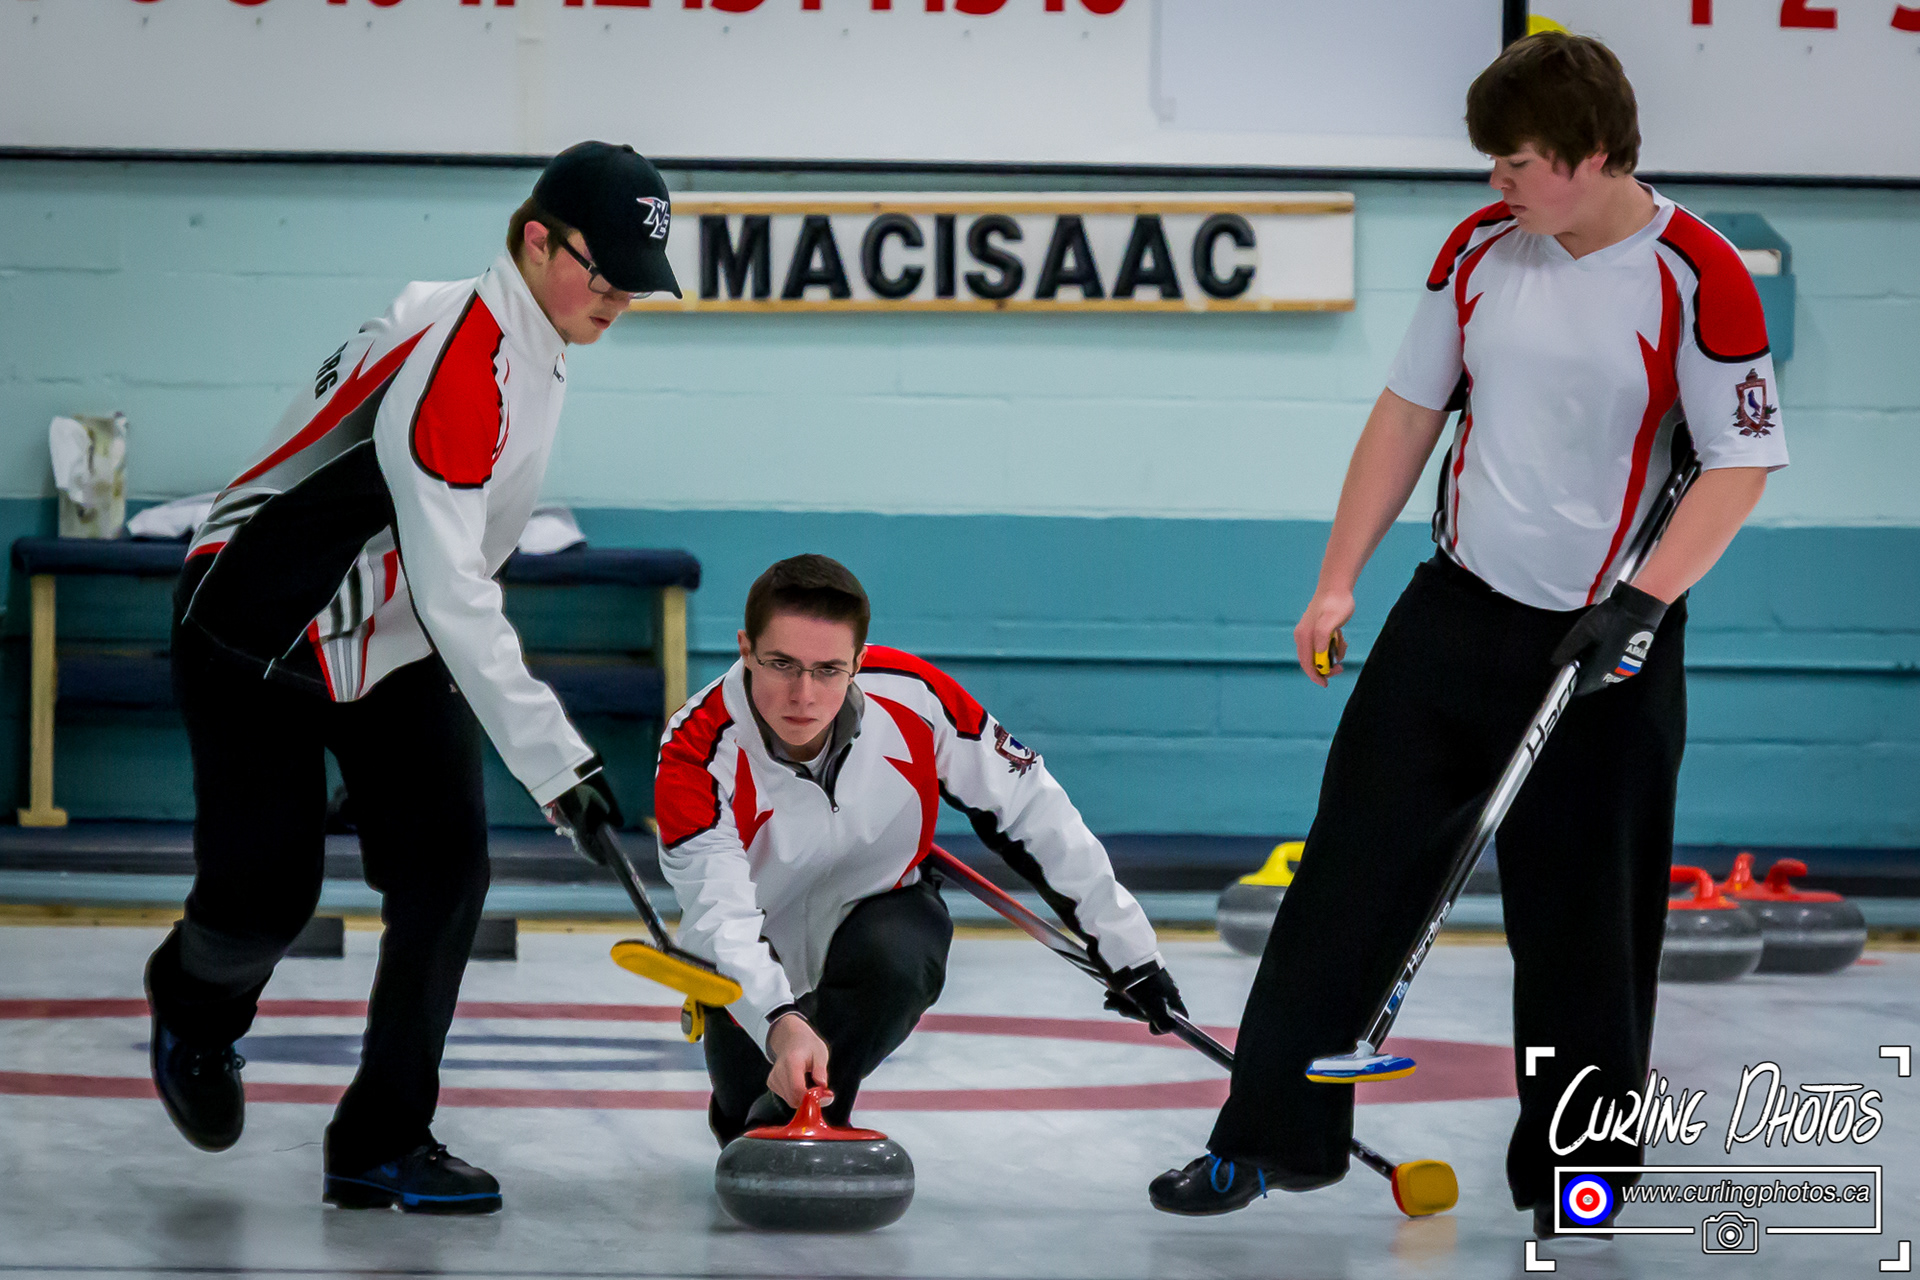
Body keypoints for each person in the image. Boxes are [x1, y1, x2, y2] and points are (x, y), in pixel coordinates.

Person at [1149, 33, 1787, 1234]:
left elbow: (1738, 466)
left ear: (1590, 157)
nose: (1496, 179)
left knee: (1587, 926)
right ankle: (1269, 1137)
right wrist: (1336, 580)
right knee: (1344, 876)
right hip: (1456, 611)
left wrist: (1642, 603)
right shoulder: (1479, 249)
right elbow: (1407, 414)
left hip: (1610, 638)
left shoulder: (1701, 274)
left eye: (1518, 161)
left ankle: (1577, 1181)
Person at [142, 142, 681, 1213]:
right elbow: (455, 589)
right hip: (260, 632)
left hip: (391, 638)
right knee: (266, 898)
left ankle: (380, 1140)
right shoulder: (461, 357)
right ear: (537, 239)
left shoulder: (539, 335)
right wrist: (560, 764)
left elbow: (446, 575)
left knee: (446, 873)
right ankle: (192, 1009)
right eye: (604, 272)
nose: (618, 298)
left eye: (635, 282)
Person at [654, 554, 1187, 1140]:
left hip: (881, 915)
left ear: (859, 662)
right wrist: (779, 1022)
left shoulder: (917, 696)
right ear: (746, 649)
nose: (803, 695)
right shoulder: (694, 751)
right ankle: (761, 1100)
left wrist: (1130, 952)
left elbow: (1033, 809)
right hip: (757, 947)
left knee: (895, 963)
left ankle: (813, 1114)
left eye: (829, 670)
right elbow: (720, 914)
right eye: (782, 664)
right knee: (741, 1116)